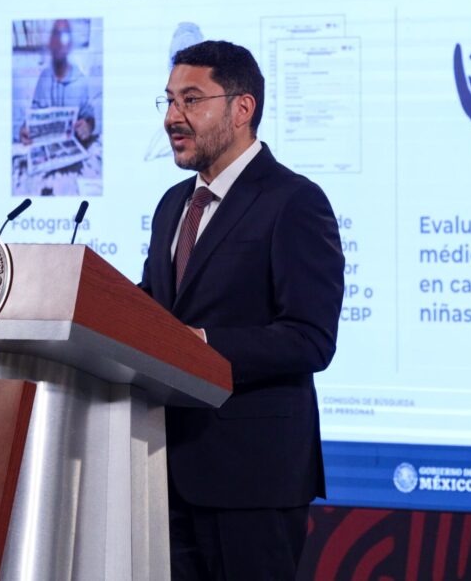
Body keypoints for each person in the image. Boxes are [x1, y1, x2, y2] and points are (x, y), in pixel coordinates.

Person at [138, 40, 345, 580]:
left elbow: (310, 338)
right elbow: (146, 312)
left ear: (241, 108)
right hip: (164, 472)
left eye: (190, 100)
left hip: (253, 477)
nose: (171, 118)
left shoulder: (294, 201)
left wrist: (200, 345)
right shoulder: (171, 206)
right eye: (167, 101)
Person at [17, 19, 99, 146]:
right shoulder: (44, 76)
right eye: (55, 35)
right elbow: (33, 113)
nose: (59, 41)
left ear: (70, 44)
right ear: (50, 44)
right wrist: (24, 129)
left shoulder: (80, 79)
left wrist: (88, 126)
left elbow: (89, 116)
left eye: (64, 36)